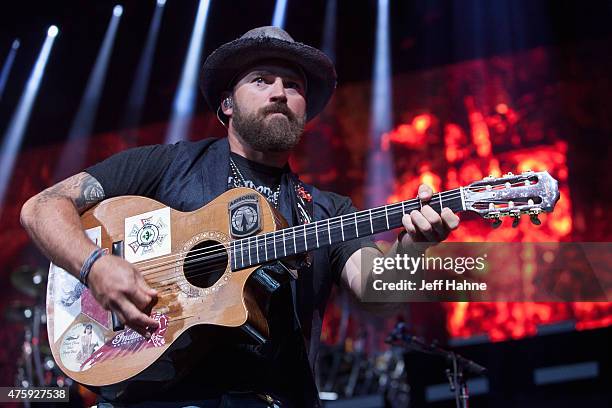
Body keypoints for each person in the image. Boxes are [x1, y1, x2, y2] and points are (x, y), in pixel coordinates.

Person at [20, 26, 459, 407]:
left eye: (293, 85)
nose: (279, 93)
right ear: (227, 104)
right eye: (262, 80)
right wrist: (95, 266)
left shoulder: (327, 211)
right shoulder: (167, 167)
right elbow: (41, 207)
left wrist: (414, 246)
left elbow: (377, 295)